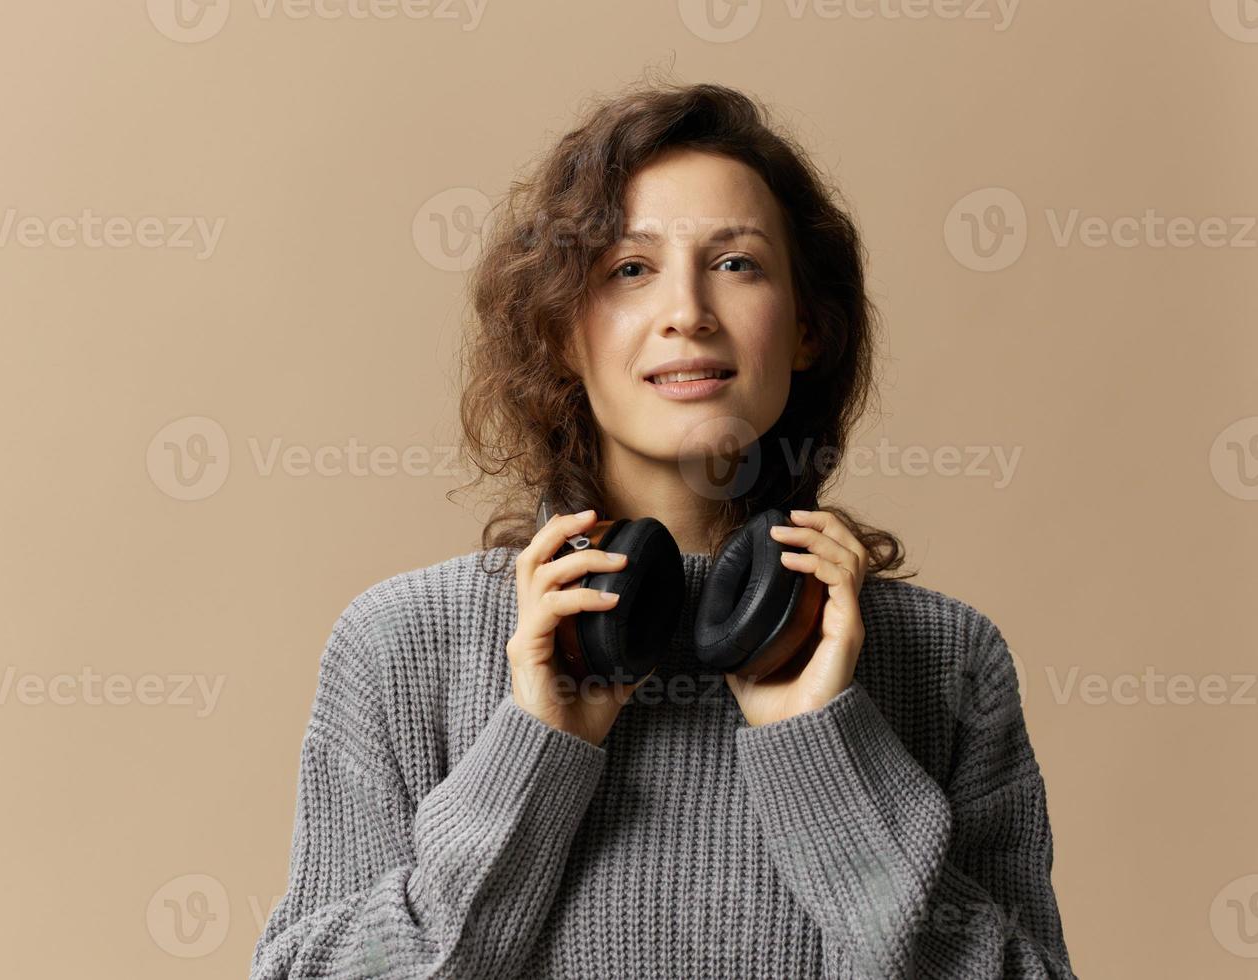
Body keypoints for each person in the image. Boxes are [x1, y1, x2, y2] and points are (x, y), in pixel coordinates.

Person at [250, 75, 1076, 979]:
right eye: (630, 270)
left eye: (737, 263)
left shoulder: (945, 660)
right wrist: (533, 751)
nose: (688, 312)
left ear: (807, 329)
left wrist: (828, 760)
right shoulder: (401, 646)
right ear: (563, 332)